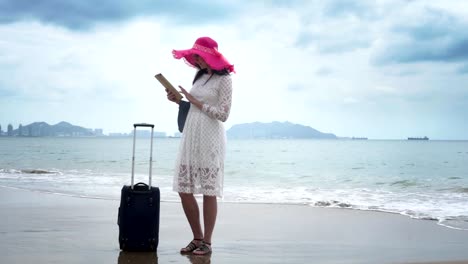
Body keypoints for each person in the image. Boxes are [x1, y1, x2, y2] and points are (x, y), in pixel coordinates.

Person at [166, 36, 234, 255]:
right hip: (191, 134)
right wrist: (179, 101)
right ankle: (196, 237)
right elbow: (194, 107)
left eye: (200, 57)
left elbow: (223, 115)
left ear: (210, 56)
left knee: (208, 191)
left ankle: (207, 242)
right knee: (184, 189)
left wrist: (196, 102)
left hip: (210, 137)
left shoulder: (225, 80)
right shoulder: (200, 76)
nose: (197, 61)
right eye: (195, 57)